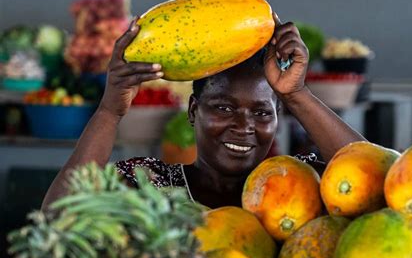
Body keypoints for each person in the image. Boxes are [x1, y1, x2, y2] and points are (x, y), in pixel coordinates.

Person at [42, 13, 365, 210]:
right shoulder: (148, 184)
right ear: (194, 110)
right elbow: (58, 215)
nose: (244, 125)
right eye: (224, 107)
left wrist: (296, 94)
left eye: (262, 113)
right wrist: (110, 111)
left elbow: (371, 177)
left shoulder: (301, 180)